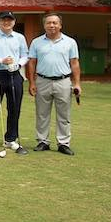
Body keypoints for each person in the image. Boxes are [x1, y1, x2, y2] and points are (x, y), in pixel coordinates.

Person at [27, 13, 81, 156]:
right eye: (49, 23)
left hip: (63, 81)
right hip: (42, 81)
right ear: (44, 25)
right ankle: (42, 141)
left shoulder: (70, 42)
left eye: (55, 23)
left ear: (60, 25)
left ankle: (63, 143)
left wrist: (77, 83)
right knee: (42, 114)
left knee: (64, 114)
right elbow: (32, 63)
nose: (52, 25)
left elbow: (74, 63)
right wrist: (32, 82)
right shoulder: (36, 42)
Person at [0, 11, 28, 152]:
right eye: (3, 20)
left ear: (14, 22)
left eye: (9, 20)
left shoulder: (20, 37)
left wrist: (19, 64)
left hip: (14, 74)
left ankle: (11, 138)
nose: (6, 22)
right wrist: (0, 60)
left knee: (14, 107)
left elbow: (25, 55)